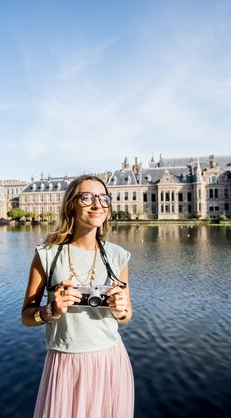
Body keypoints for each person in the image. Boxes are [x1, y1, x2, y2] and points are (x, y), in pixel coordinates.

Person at [22, 175, 134, 418]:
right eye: (87, 197)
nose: (97, 204)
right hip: (66, 362)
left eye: (104, 198)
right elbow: (27, 316)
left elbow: (126, 317)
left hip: (110, 360)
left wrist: (120, 309)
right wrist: (51, 311)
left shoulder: (117, 256)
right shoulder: (48, 254)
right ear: (71, 204)